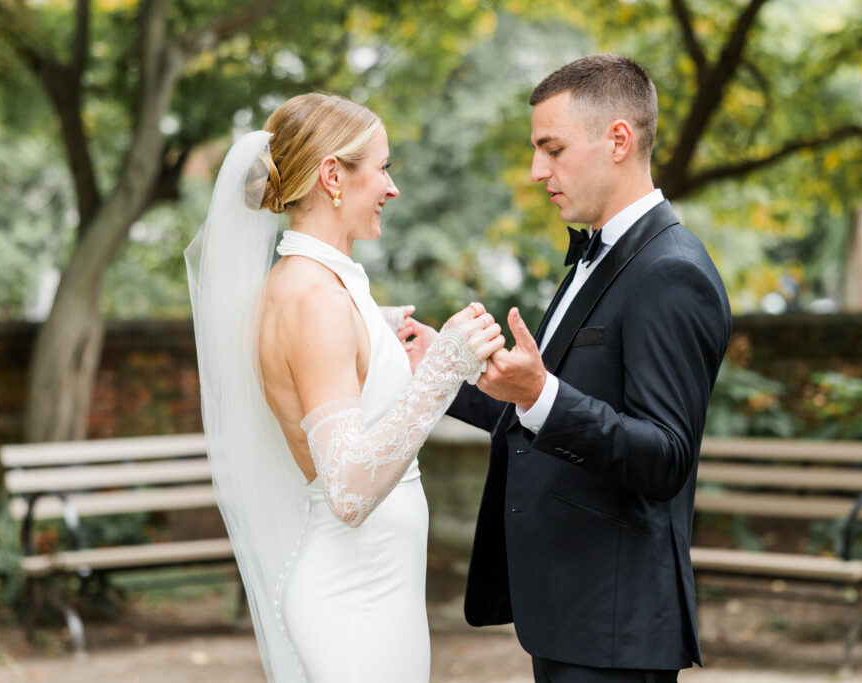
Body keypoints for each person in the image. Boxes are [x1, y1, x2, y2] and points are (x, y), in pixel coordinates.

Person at [403, 54, 732, 681]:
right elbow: (541, 407)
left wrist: (543, 393)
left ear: (618, 139)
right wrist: (442, 371)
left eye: (551, 149)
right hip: (567, 609)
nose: (536, 171)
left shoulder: (671, 272)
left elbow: (664, 456)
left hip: (613, 620)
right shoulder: (597, 255)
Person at [185, 93, 503, 682]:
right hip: (354, 600)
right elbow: (350, 490)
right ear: (333, 175)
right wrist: (441, 372)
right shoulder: (314, 299)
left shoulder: (317, 288)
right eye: (382, 167)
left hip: (375, 589)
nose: (391, 187)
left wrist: (377, 342)